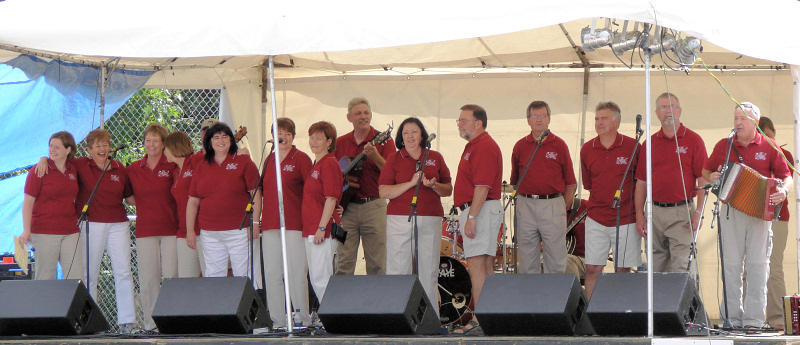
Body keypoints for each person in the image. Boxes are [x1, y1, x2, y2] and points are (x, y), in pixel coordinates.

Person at [702, 102, 792, 328]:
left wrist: (783, 190)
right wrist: (712, 176)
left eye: (743, 118)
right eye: (736, 118)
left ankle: (753, 320)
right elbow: (706, 170)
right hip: (731, 210)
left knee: (758, 265)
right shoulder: (725, 145)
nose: (738, 123)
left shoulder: (769, 146)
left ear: (755, 122)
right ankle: (731, 319)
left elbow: (786, 175)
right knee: (731, 265)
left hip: (760, 213)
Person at [378, 117, 452, 314]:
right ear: (401, 137)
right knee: (398, 268)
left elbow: (448, 189)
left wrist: (434, 185)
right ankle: (396, 315)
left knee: (428, 270)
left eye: (414, 132)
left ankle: (430, 318)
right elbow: (384, 191)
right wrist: (411, 183)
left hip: (430, 218)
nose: (410, 136)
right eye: (405, 133)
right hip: (400, 218)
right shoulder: (394, 158)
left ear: (422, 135)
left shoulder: (435, 156)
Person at [634, 93, 708, 273]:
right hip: (654, 212)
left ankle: (682, 302)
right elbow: (641, 182)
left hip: (682, 212)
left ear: (680, 111)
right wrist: (639, 214)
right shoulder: (649, 143)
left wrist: (699, 211)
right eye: (663, 107)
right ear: (657, 114)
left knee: (681, 266)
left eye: (672, 106)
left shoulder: (693, 140)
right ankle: (659, 302)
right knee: (654, 268)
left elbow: (703, 179)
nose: (668, 111)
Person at [252, 118, 313, 328]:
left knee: (296, 272)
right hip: (270, 224)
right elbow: (260, 191)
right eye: (279, 133)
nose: (283, 137)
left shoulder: (302, 159)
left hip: (294, 223)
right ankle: (277, 319)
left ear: (293, 136)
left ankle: (301, 317)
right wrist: (256, 221)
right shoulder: (269, 160)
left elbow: (311, 192)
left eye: (287, 133)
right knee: (272, 272)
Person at [580, 102, 642, 301]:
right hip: (596, 217)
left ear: (616, 121)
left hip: (626, 218)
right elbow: (589, 184)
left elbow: (641, 183)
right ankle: (592, 315)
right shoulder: (587, 149)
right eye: (597, 119)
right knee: (592, 268)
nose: (599, 122)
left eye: (604, 118)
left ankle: (621, 313)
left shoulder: (633, 147)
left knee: (623, 269)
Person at [451, 104, 503, 334]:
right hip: (479, 210)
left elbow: (482, 186)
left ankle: (481, 318)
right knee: (484, 264)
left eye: (463, 120)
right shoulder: (474, 146)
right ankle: (490, 316)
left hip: (480, 210)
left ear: (478, 123)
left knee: (477, 265)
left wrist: (472, 216)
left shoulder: (483, 146)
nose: (460, 124)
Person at [510, 100, 576, 274]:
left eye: (542, 115)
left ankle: (554, 299)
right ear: (528, 120)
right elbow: (515, 180)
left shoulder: (559, 145)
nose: (538, 119)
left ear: (549, 119)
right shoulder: (520, 146)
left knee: (555, 259)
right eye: (534, 116)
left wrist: (563, 206)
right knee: (526, 259)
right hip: (526, 204)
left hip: (553, 203)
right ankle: (530, 299)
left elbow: (571, 182)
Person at [186, 122, 259, 277]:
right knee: (214, 276)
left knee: (244, 275)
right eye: (216, 137)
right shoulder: (201, 165)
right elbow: (193, 201)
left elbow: (256, 193)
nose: (221, 140)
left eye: (225, 137)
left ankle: (247, 302)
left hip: (239, 230)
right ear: (209, 141)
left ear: (231, 140)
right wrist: (190, 230)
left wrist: (255, 223)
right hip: (210, 232)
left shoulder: (243, 161)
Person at [335, 97, 396, 275]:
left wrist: (375, 156)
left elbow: (392, 174)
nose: (363, 116)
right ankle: (343, 301)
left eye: (366, 112)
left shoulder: (383, 141)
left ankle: (377, 302)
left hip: (374, 206)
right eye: (358, 113)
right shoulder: (340, 142)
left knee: (377, 262)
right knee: (343, 261)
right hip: (346, 209)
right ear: (349, 117)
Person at [126, 123, 178, 331]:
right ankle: (151, 324)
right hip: (145, 230)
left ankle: (172, 322)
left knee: (172, 277)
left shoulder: (172, 165)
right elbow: (128, 196)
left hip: (171, 230)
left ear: (164, 143)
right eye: (148, 140)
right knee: (148, 279)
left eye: (156, 140)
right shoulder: (133, 168)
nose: (151, 144)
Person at [19, 131, 82, 280]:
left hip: (70, 231)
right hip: (44, 231)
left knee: (76, 277)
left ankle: (73, 304)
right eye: (50, 146)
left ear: (68, 150)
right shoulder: (39, 170)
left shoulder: (74, 169)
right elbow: (28, 203)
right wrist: (26, 230)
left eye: (57, 147)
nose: (52, 150)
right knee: (45, 277)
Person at [758, 116, 794, 330]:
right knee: (749, 268)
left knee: (775, 268)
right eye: (763, 136)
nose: (768, 140)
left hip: (778, 218)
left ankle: (779, 319)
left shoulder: (784, 154)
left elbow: (786, 180)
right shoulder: (749, 154)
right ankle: (750, 319)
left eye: (769, 135)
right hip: (754, 217)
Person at [303, 121, 343, 300]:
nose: (313, 142)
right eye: (312, 137)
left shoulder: (329, 163)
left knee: (321, 277)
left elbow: (331, 198)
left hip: (322, 230)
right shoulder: (317, 163)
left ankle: (330, 317)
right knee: (316, 276)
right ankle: (326, 315)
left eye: (319, 138)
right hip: (311, 227)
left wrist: (321, 228)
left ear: (329, 141)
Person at [164, 130, 204, 277]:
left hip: (202, 229)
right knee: (186, 278)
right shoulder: (174, 171)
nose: (164, 153)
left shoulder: (195, 161)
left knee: (211, 277)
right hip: (183, 232)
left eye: (165, 149)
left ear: (173, 148)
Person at [565, 198, 587, 281]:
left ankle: (574, 294)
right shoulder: (549, 210)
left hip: (584, 260)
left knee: (566, 261)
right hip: (552, 259)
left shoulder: (585, 207)